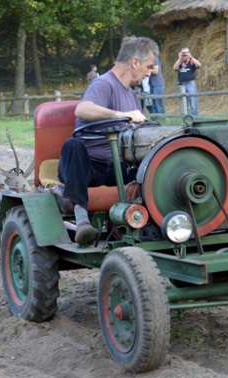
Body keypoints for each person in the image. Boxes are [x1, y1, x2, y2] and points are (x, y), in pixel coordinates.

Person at [56, 36, 157, 245]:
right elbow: (81, 109)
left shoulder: (131, 94)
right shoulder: (104, 83)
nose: (150, 72)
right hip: (89, 167)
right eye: (148, 66)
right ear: (135, 62)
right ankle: (82, 219)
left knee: (154, 164)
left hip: (118, 167)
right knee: (72, 145)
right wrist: (121, 114)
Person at [173, 47, 201, 116]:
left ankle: (195, 119)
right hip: (182, 85)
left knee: (193, 104)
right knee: (184, 104)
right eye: (183, 53)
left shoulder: (192, 62)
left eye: (186, 53)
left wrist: (191, 57)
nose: (184, 55)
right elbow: (174, 68)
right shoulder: (180, 62)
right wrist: (180, 58)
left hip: (190, 84)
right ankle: (186, 119)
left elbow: (199, 65)